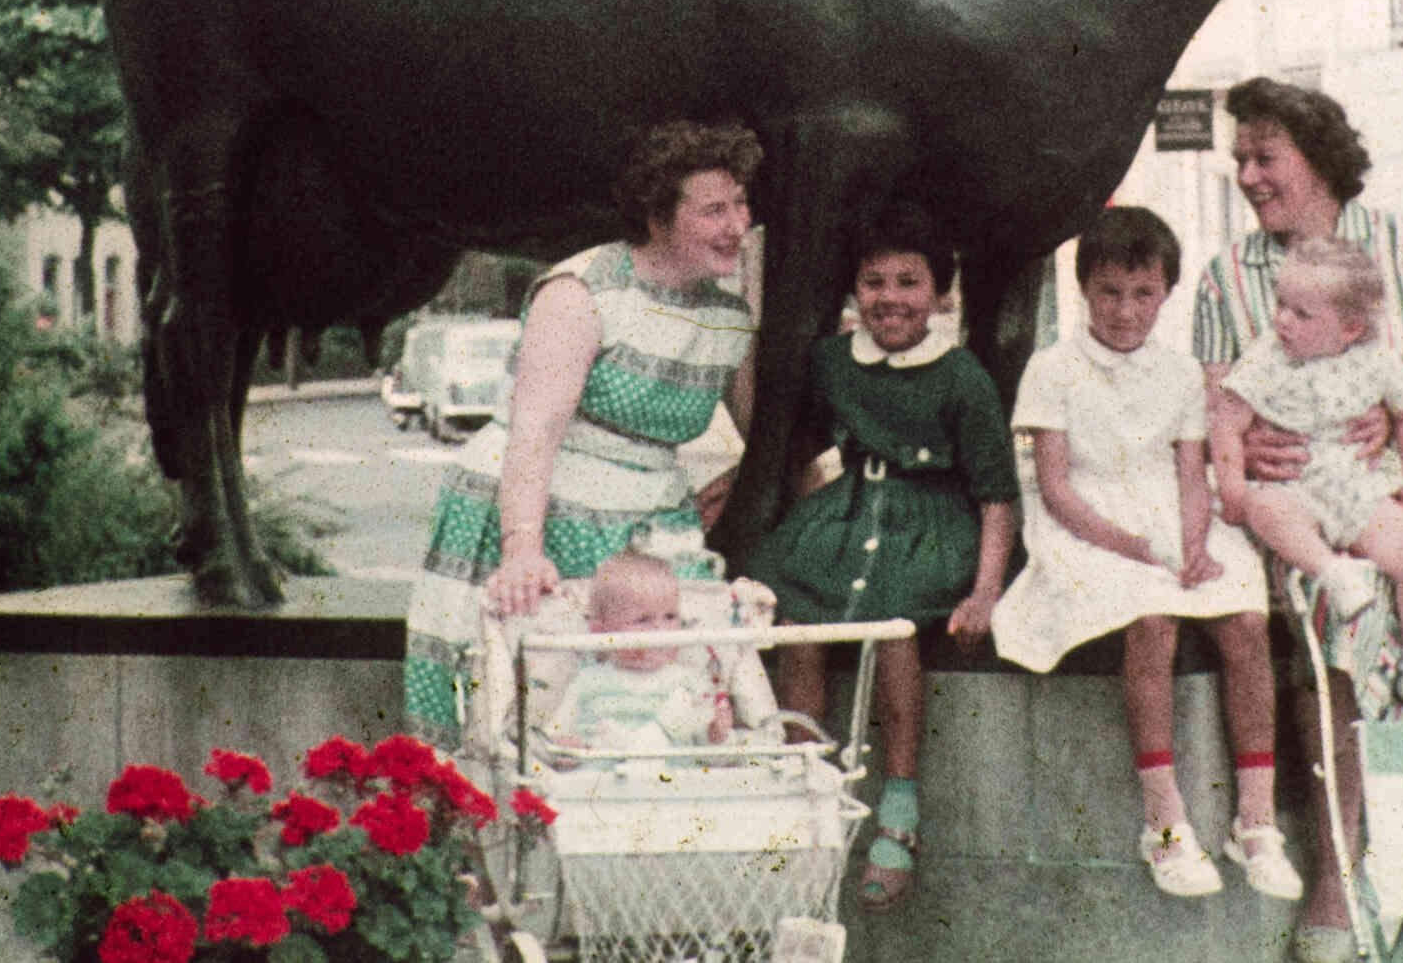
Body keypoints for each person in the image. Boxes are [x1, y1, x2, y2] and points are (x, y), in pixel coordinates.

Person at [1189, 77, 1403, 963]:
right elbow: (1219, 412)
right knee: (1334, 619)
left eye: (1264, 155)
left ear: (1317, 156)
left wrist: (1396, 417)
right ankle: (1338, 866)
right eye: (1239, 158)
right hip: (1300, 503)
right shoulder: (1226, 278)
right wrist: (1250, 460)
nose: (1247, 174)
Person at [401, 120, 762, 746]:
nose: (737, 225)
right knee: (525, 701)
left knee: (671, 691)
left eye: (739, 204)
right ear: (658, 216)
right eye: (713, 210)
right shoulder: (584, 291)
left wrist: (738, 477)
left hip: (649, 521)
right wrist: (521, 548)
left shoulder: (729, 317)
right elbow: (535, 431)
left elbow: (762, 432)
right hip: (536, 502)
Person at [992, 207, 1299, 903]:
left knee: (1245, 619)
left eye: (1142, 293)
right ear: (1083, 290)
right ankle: (1164, 822)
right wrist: (1137, 548)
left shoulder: (1182, 370)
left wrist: (1191, 542)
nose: (1125, 310)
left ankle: (1254, 820)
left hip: (1170, 515)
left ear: (1164, 293)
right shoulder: (1053, 367)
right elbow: (1057, 487)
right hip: (1087, 525)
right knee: (1151, 619)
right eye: (1109, 292)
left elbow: (1191, 473)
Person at [752, 204, 1018, 912]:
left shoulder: (962, 377)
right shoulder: (833, 361)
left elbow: (996, 495)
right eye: (873, 281)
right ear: (853, 291)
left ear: (939, 294)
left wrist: (984, 590)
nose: (890, 297)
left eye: (908, 281)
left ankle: (898, 807)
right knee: (799, 623)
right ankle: (797, 791)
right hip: (846, 513)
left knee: (894, 628)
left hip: (928, 525)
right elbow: (800, 446)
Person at [1212, 242, 1403, 721]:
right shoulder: (1266, 360)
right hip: (1295, 486)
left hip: (1355, 485)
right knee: (1266, 508)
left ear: (1348, 328)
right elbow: (1228, 421)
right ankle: (1330, 570)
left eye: (1301, 314)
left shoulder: (1375, 361)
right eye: (1280, 304)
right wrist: (1233, 490)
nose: (1282, 320)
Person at [547, 551, 733, 753]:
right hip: (605, 778)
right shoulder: (587, 680)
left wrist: (715, 734)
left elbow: (709, 753)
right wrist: (566, 746)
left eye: (670, 617)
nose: (661, 630)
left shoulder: (692, 682)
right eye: (643, 620)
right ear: (601, 631)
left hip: (671, 778)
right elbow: (555, 736)